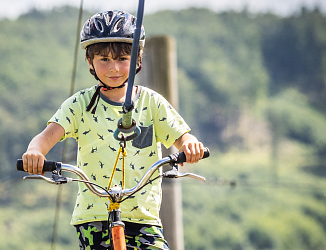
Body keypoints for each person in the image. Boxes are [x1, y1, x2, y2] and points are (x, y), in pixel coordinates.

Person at [22, 10, 205, 250]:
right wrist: (35, 152)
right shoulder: (80, 105)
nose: (114, 68)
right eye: (104, 59)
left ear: (138, 59)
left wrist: (189, 145)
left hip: (143, 218)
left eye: (122, 59)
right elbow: (46, 137)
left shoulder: (151, 102)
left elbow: (182, 137)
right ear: (90, 61)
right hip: (94, 217)